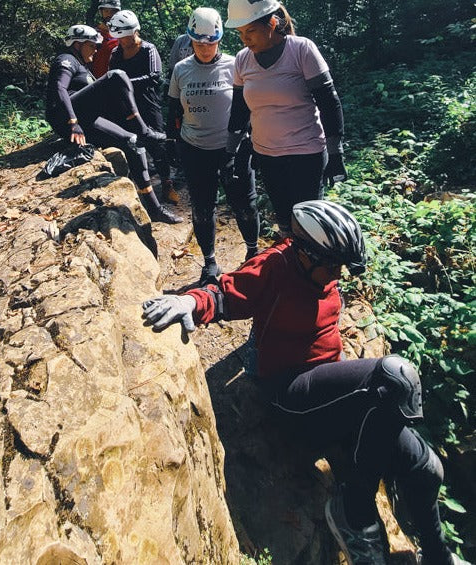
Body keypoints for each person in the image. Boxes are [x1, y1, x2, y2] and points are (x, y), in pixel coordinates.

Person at [142, 200, 470, 565]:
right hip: (291, 391)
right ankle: (355, 514)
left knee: (426, 469)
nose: (337, 275)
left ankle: (438, 556)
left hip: (329, 386)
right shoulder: (277, 266)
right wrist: (189, 302)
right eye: (331, 265)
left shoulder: (320, 270)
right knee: (396, 377)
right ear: (305, 254)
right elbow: (224, 294)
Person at [225, 0, 348, 236]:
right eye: (241, 33)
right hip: (267, 156)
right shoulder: (242, 59)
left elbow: (328, 102)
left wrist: (336, 152)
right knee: (284, 221)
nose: (245, 39)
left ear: (271, 23)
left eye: (250, 31)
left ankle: (313, 268)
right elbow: (239, 111)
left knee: (308, 222)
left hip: (306, 155)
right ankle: (290, 266)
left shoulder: (301, 49)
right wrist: (230, 153)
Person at [45, 24, 182, 224]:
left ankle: (154, 209)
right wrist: (72, 122)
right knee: (116, 76)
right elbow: (59, 88)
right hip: (67, 118)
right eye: (92, 46)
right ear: (78, 44)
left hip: (85, 118)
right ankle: (144, 130)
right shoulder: (66, 59)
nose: (95, 50)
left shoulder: (83, 65)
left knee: (133, 142)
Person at [167, 7, 260, 286]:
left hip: (232, 148)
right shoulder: (181, 70)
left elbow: (250, 107)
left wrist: (251, 143)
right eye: (198, 43)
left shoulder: (236, 65)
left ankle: (253, 253)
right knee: (202, 208)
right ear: (190, 41)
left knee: (245, 204)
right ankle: (209, 263)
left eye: (210, 42)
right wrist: (172, 143)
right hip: (195, 148)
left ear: (220, 39)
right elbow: (173, 110)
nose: (205, 49)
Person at [108, 10, 179, 205]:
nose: (122, 41)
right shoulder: (116, 53)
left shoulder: (148, 49)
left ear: (135, 32)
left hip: (148, 104)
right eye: (119, 38)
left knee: (157, 145)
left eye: (125, 37)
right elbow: (111, 76)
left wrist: (126, 82)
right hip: (125, 106)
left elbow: (155, 76)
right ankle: (141, 189)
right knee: (132, 145)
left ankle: (167, 184)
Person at [86, 0, 121, 78]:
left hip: (116, 82)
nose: (109, 14)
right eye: (106, 11)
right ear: (101, 12)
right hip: (95, 83)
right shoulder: (92, 34)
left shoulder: (123, 35)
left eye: (113, 11)